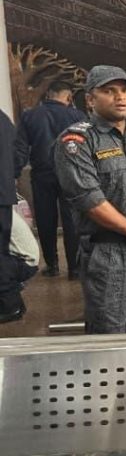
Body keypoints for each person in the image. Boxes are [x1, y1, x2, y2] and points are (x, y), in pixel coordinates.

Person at [54, 65, 126, 333]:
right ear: (90, 100)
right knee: (109, 334)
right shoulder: (77, 140)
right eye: (109, 91)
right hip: (108, 253)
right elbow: (89, 199)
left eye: (125, 90)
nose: (120, 97)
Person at [14, 79, 85, 278]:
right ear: (69, 97)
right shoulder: (77, 116)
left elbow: (20, 149)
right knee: (72, 220)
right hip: (71, 174)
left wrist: (14, 174)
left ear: (48, 95)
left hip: (41, 174)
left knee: (45, 219)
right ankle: (75, 268)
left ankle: (52, 265)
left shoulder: (30, 116)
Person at [0, 109, 29, 323]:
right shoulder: (3, 119)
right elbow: (19, 153)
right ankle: (12, 301)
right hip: (4, 194)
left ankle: (10, 304)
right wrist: (10, 176)